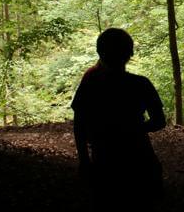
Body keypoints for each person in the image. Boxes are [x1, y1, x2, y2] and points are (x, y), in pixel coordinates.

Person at [71, 28, 166, 211]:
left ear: (100, 52)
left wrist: (84, 161)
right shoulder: (141, 84)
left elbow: (79, 125)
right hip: (141, 161)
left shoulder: (90, 83)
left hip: (105, 163)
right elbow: (159, 121)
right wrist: (135, 130)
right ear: (129, 53)